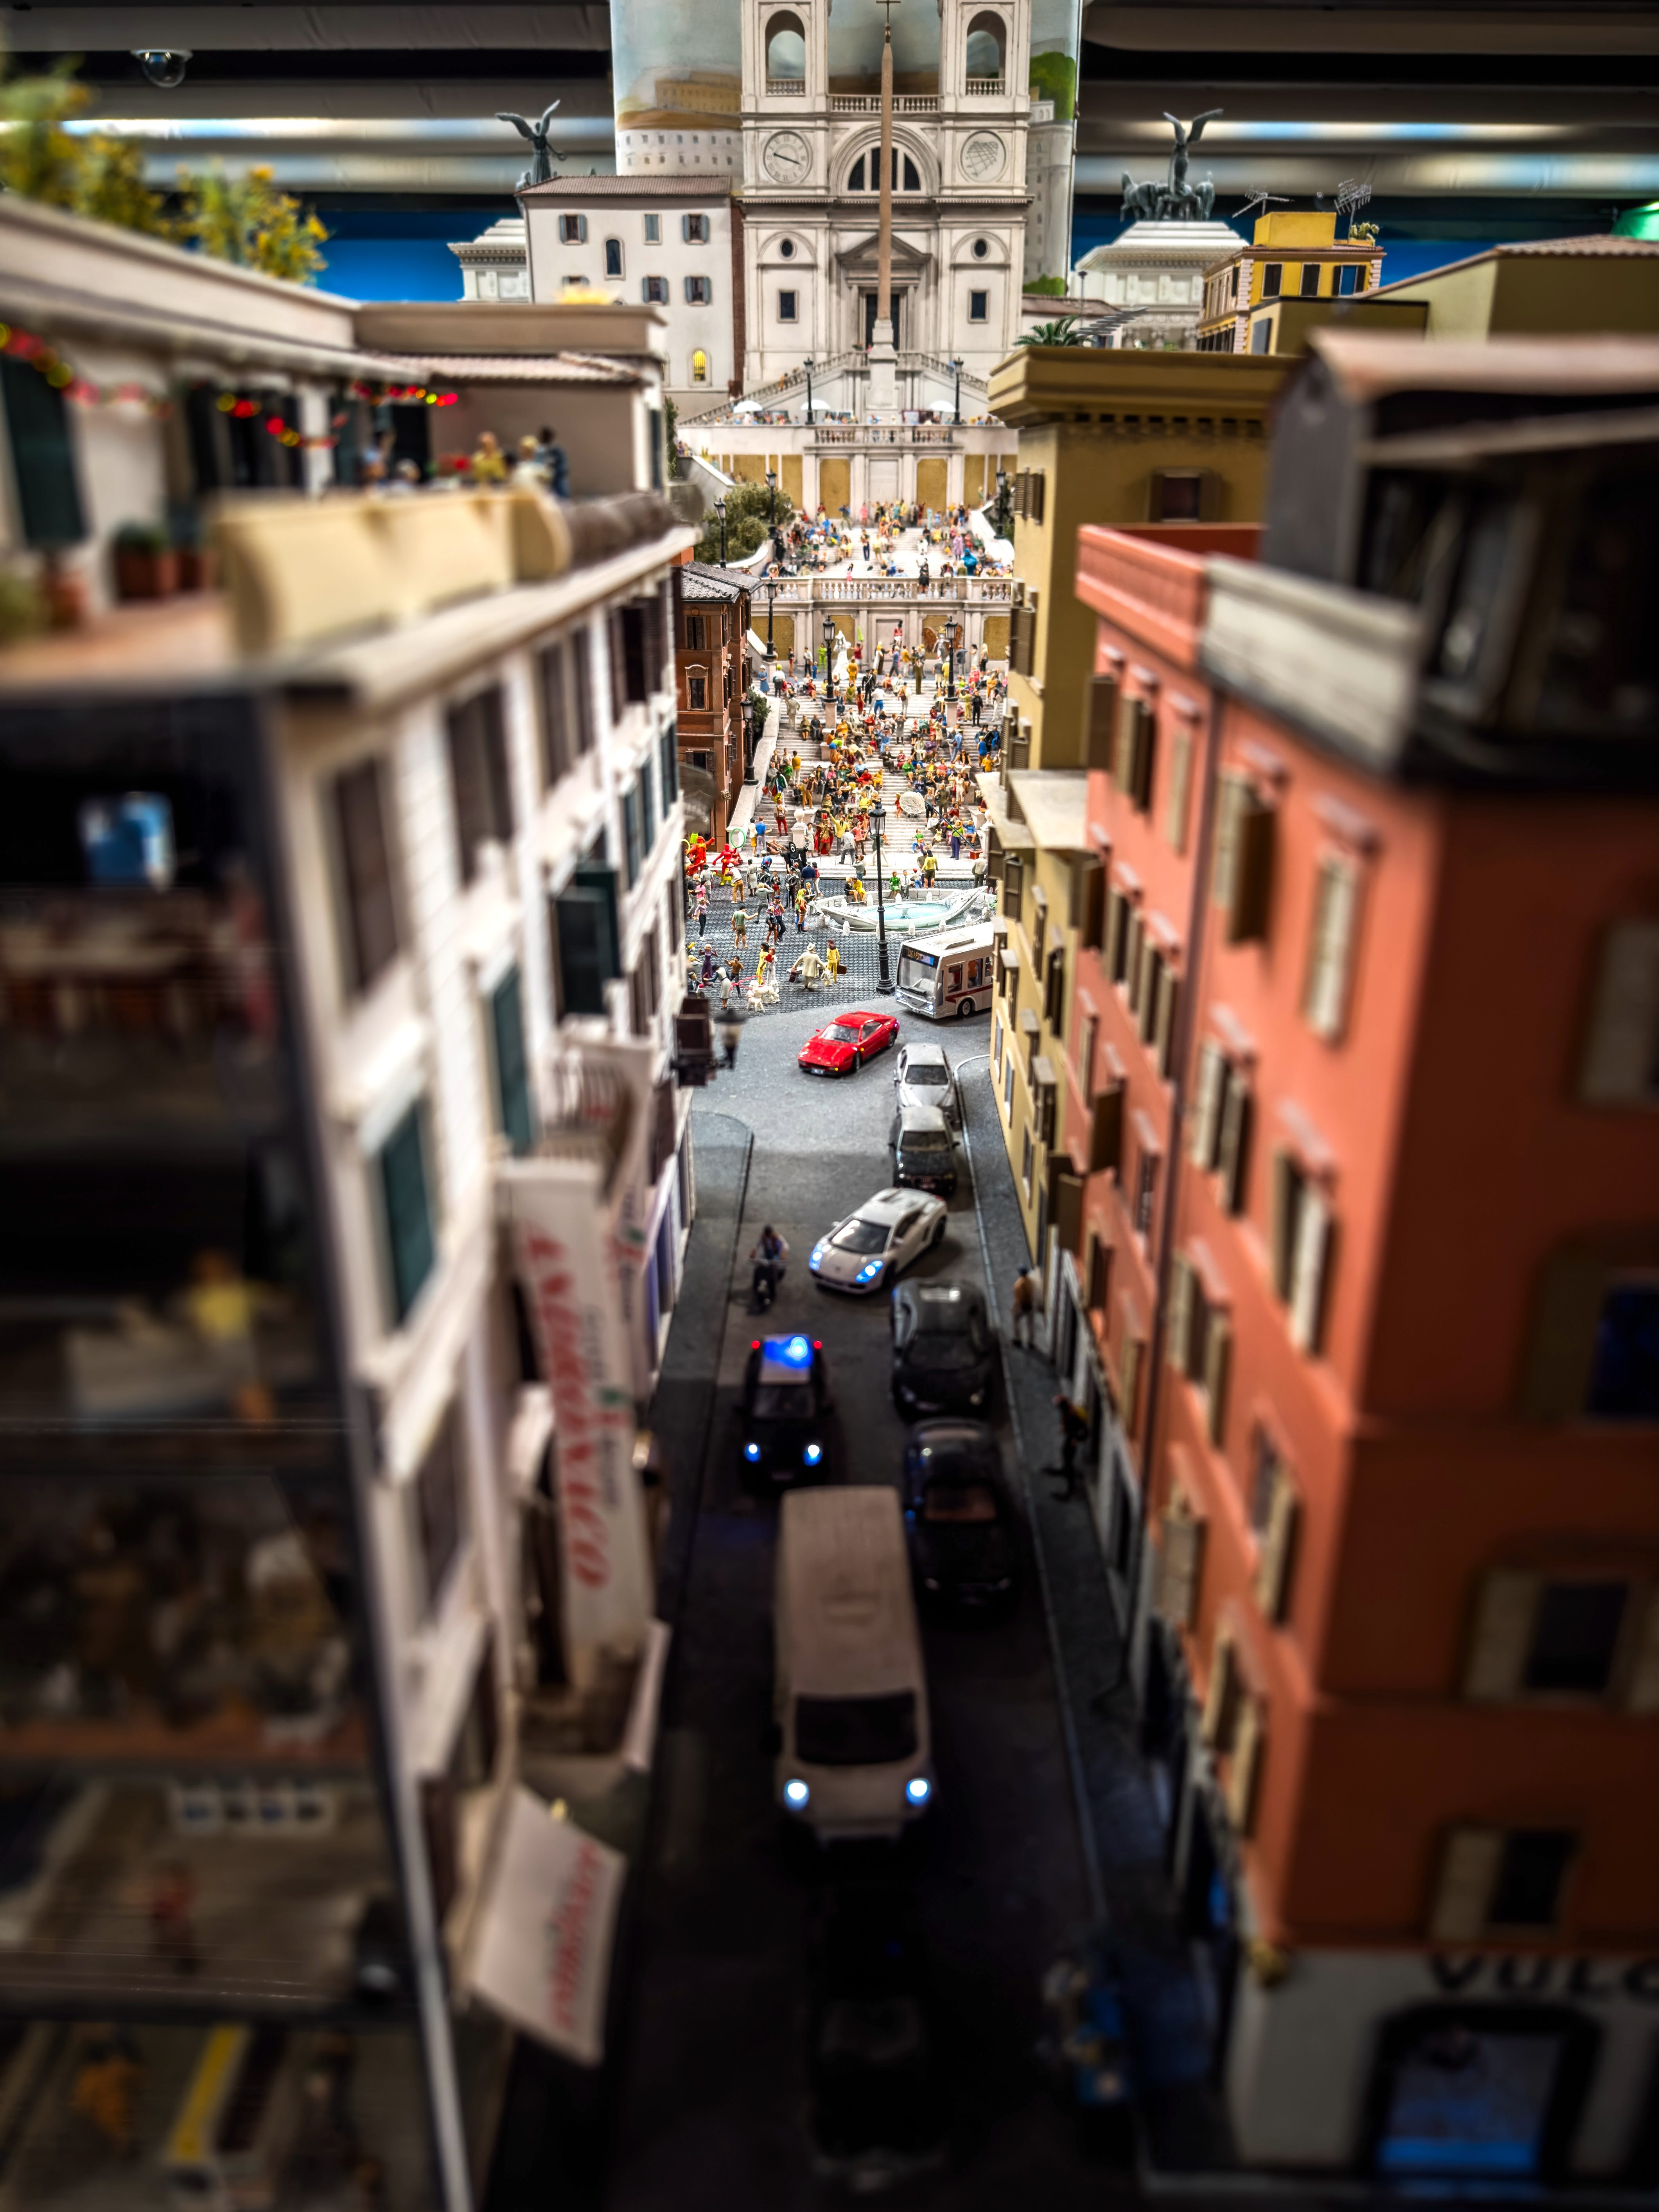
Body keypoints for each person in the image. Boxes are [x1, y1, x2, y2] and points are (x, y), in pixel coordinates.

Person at [1052, 1395, 1092, 1500]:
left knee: (1069, 1462)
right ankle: (1064, 1470)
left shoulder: (1073, 1415)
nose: (1058, 1409)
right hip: (1070, 1438)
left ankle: (1070, 1489)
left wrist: (1076, 1438)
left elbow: (1085, 1432)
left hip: (1072, 1441)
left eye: (1059, 1407)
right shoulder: (1067, 1411)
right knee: (1064, 1453)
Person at [750, 1224, 789, 1304]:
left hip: (776, 1255)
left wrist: (783, 1255)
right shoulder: (763, 1237)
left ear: (772, 1233)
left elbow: (785, 1246)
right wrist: (753, 1253)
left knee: (773, 1269)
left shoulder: (778, 1238)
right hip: (767, 1254)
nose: (768, 1236)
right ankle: (756, 1285)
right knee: (759, 1266)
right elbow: (757, 1245)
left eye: (769, 1234)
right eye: (767, 1234)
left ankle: (773, 1289)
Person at [1011, 1266, 1039, 1350]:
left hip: (1023, 1306)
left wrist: (1015, 1307)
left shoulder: (1018, 1284)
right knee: (1031, 1324)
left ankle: (1018, 1339)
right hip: (1031, 1305)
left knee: (1016, 1320)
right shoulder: (1030, 1281)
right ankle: (1031, 1342)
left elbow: (1019, 1298)